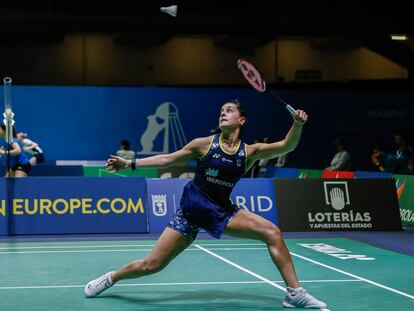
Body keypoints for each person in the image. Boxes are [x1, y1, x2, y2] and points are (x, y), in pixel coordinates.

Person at [84, 100, 327, 309]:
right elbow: (169, 158)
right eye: (221, 110)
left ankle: (294, 293)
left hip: (222, 211)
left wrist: (297, 124)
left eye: (229, 110)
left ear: (241, 120)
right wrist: (131, 164)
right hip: (191, 213)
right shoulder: (204, 144)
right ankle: (111, 278)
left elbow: (287, 146)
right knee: (151, 265)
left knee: (272, 233)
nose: (223, 113)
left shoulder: (249, 152)